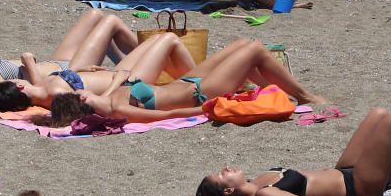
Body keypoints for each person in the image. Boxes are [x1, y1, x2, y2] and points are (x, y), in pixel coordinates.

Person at [194, 107, 391, 196]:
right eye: (222, 174)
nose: (227, 168)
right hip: (358, 186)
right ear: (228, 190)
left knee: (378, 114)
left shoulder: (257, 182)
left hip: (344, 172)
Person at [45, 39, 325, 126]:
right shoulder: (118, 110)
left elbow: (119, 79)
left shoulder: (109, 97)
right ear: (83, 101)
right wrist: (207, 108)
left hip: (188, 80)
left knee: (244, 44)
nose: (81, 91)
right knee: (255, 52)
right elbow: (166, 115)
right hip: (200, 93)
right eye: (80, 94)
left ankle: (275, 91)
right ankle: (305, 96)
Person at [0, 10, 142, 99]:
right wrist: (28, 62)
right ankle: (148, 54)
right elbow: (32, 79)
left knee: (94, 15)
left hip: (56, 60)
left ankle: (132, 60)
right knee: (110, 22)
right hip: (67, 72)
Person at [0, 32, 195, 111]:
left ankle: (188, 84)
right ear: (20, 85)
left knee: (157, 40)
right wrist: (118, 80)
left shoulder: (40, 89)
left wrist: (81, 70)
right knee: (169, 40)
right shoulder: (55, 95)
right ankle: (198, 83)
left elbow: (38, 79)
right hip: (127, 83)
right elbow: (93, 105)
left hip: (118, 73)